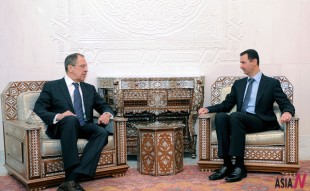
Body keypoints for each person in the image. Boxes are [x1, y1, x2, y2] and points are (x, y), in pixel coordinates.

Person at [198, 49, 295, 182]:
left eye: (243, 62)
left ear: (254, 61)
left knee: (235, 116)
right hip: (238, 121)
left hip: (260, 121)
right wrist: (208, 109)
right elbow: (226, 105)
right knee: (221, 116)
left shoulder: (271, 84)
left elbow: (285, 103)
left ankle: (239, 166)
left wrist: (287, 112)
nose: (241, 66)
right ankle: (227, 164)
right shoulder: (239, 84)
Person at [34, 53, 115, 191]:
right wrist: (59, 116)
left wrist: (106, 113)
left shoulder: (89, 88)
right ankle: (72, 179)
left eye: (86, 66)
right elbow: (39, 108)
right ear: (70, 68)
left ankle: (71, 179)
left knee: (101, 132)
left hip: (84, 126)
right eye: (82, 66)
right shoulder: (52, 86)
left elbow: (104, 105)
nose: (86, 69)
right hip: (63, 127)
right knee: (71, 119)